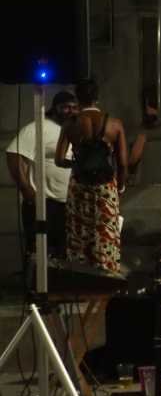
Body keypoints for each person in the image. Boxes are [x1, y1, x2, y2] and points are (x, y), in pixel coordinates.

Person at [54, 78, 128, 274]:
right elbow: (122, 163)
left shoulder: (70, 124)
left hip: (79, 186)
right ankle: (106, 278)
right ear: (97, 97)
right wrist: (120, 187)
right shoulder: (114, 124)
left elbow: (59, 160)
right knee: (105, 235)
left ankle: (80, 279)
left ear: (78, 99)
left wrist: (78, 164)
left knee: (79, 237)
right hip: (106, 187)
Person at [6, 90, 78, 259]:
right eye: (66, 107)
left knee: (63, 255)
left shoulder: (73, 130)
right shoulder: (38, 127)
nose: (71, 111)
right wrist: (26, 189)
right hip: (43, 203)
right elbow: (13, 154)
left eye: (74, 107)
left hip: (67, 205)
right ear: (55, 108)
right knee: (39, 255)